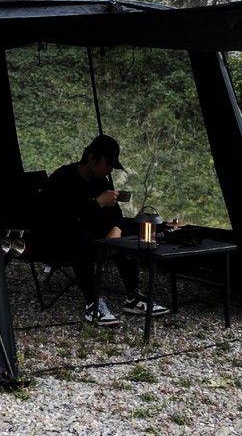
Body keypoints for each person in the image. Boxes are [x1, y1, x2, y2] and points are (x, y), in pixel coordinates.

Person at [32, 134, 169, 327]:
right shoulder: (63, 178)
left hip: (92, 239)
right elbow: (60, 220)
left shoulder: (101, 181)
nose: (110, 169)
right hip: (57, 241)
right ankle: (93, 303)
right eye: (108, 163)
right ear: (91, 158)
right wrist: (97, 203)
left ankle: (133, 297)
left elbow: (116, 214)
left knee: (127, 230)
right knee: (80, 234)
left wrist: (116, 229)